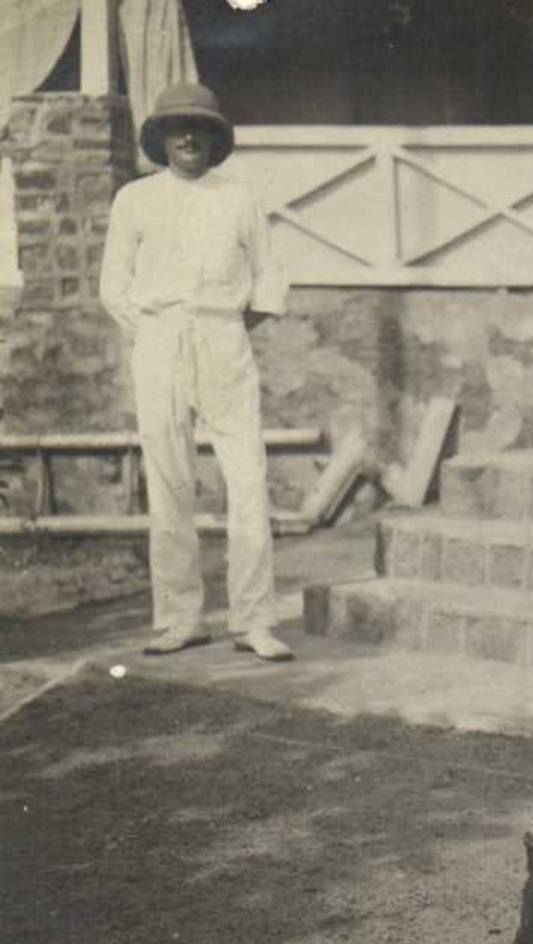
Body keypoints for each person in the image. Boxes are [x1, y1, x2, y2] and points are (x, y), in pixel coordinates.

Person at [100, 83, 294, 661]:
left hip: (222, 338)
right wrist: (159, 329)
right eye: (176, 128)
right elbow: (113, 288)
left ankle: (254, 619)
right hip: (158, 339)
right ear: (160, 139)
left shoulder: (238, 199)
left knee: (247, 478)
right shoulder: (134, 199)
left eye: (199, 127)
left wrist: (222, 325)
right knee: (169, 481)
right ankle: (181, 618)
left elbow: (267, 281)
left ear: (215, 139)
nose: (187, 137)